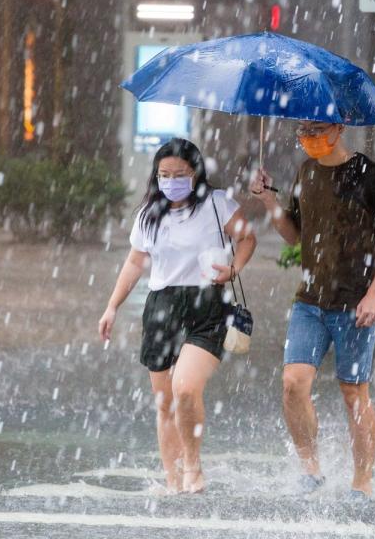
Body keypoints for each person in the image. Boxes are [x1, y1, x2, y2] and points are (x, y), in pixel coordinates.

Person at [250, 121, 375, 501]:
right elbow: (295, 236)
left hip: (355, 304)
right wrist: (270, 202)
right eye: (304, 130)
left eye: (317, 129)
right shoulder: (306, 170)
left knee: (354, 393)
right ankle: (310, 468)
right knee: (293, 383)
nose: (309, 138)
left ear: (338, 128)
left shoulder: (369, 173)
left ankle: (362, 482)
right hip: (310, 301)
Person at [99, 138, 256, 494]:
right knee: (164, 401)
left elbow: (247, 238)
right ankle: (173, 479)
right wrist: (112, 306)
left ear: (196, 173)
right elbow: (135, 262)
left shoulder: (218, 204)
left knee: (185, 388)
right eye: (164, 174)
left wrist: (234, 268)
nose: (171, 181)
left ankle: (193, 466)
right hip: (162, 308)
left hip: (207, 306)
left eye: (179, 174)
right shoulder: (149, 214)